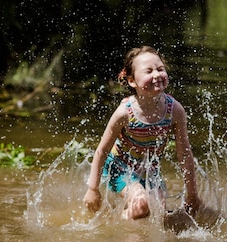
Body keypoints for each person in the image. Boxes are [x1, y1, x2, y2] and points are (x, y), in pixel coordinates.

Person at [83, 46, 201, 221]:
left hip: (149, 170)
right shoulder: (124, 113)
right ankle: (110, 224)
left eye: (160, 69)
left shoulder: (175, 110)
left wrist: (192, 193)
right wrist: (93, 189)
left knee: (159, 216)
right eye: (148, 71)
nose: (156, 75)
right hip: (119, 168)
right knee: (141, 205)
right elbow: (102, 150)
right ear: (132, 81)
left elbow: (184, 153)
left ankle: (130, 236)